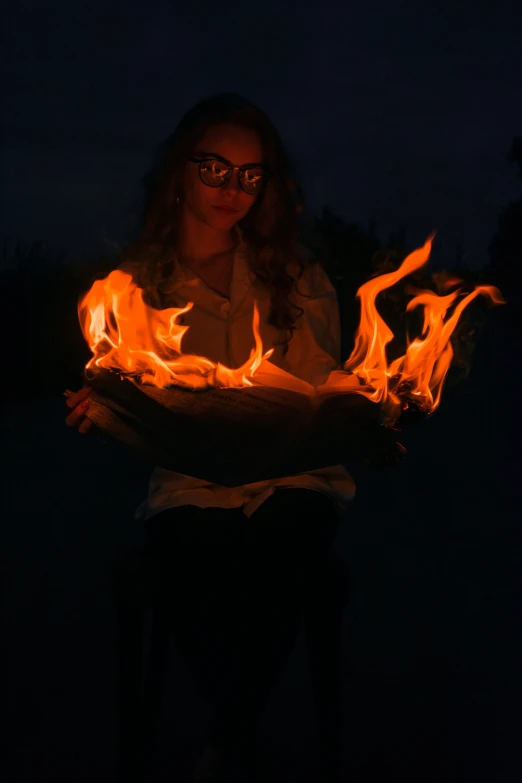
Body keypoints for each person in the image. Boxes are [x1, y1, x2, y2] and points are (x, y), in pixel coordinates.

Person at [65, 93, 405, 782]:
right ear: (180, 170)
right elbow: (128, 386)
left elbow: (320, 384)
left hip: (292, 480)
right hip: (190, 484)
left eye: (251, 175)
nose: (232, 189)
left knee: (284, 545)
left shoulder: (297, 277)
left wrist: (362, 417)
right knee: (201, 552)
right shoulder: (135, 284)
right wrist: (104, 407)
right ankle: (239, 727)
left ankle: (226, 736)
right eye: (216, 167)